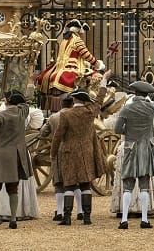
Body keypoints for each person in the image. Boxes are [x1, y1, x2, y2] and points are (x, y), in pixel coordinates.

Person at [50, 70, 112, 226]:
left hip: (69, 152)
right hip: (86, 152)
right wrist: (103, 81)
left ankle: (67, 217)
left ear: (73, 99)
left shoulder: (66, 115)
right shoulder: (89, 112)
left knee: (69, 185)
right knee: (85, 185)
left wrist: (52, 153)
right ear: (85, 100)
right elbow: (99, 99)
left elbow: (58, 136)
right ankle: (87, 217)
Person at [113, 80, 154, 229]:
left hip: (131, 147)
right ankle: (144, 219)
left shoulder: (127, 109)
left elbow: (117, 129)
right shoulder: (151, 108)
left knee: (128, 185)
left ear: (135, 93)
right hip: (146, 149)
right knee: (144, 185)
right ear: (146, 94)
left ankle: (124, 220)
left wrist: (128, 132)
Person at [0, 90, 33, 230]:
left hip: (1, 152)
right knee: (13, 188)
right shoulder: (22, 113)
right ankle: (13, 219)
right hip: (17, 154)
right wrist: (30, 81)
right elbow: (26, 101)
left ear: (6, 102)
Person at [38, 19, 105, 105]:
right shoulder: (77, 40)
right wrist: (98, 64)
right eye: (82, 32)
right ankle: (95, 102)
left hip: (58, 68)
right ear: (79, 31)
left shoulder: (65, 40)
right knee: (97, 76)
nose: (82, 34)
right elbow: (86, 55)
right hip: (72, 68)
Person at [41, 94, 74, 222]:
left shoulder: (53, 117)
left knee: (58, 182)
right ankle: (81, 211)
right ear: (72, 104)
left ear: (61, 104)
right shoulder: (75, 115)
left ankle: (59, 211)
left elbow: (43, 133)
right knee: (73, 181)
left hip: (57, 150)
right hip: (72, 150)